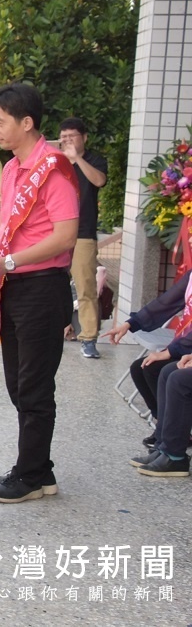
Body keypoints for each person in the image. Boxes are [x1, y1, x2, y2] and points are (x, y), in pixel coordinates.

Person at [0, 83, 78, 504]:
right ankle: (37, 467)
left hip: (41, 286)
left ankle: (31, 475)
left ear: (27, 122)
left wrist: (11, 262)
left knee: (35, 385)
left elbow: (65, 236)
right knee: (18, 384)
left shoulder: (53, 169)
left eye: (1, 122)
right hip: (15, 285)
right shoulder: (9, 170)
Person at [103, 271, 192, 450]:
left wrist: (170, 351)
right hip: (185, 346)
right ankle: (166, 428)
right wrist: (130, 324)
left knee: (165, 372)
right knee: (141, 368)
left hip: (186, 346)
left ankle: (171, 437)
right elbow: (165, 303)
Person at [57, 118, 108, 359]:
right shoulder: (55, 163)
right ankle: (58, 329)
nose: (67, 141)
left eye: (72, 136)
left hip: (83, 233)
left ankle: (88, 337)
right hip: (54, 233)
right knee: (52, 284)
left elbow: (99, 181)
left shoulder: (94, 160)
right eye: (63, 137)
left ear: (84, 138)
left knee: (86, 286)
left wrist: (76, 158)